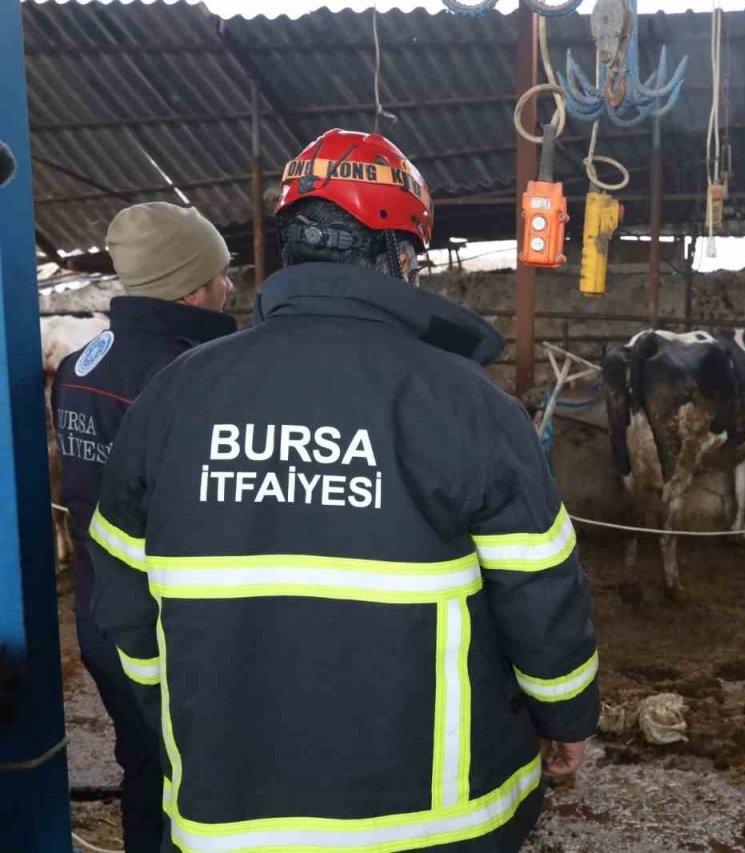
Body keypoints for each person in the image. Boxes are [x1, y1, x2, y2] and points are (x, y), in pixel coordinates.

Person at [88, 129, 599, 853]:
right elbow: (542, 594)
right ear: (399, 256)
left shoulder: (173, 398)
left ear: (293, 247)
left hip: (229, 815)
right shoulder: (467, 403)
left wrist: (175, 716)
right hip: (434, 824)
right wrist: (567, 714)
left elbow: (123, 600)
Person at [52, 202, 237, 852]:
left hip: (103, 619)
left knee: (143, 765)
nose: (230, 285)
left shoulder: (80, 368)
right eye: (220, 272)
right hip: (172, 628)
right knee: (200, 782)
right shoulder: (193, 376)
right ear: (191, 286)